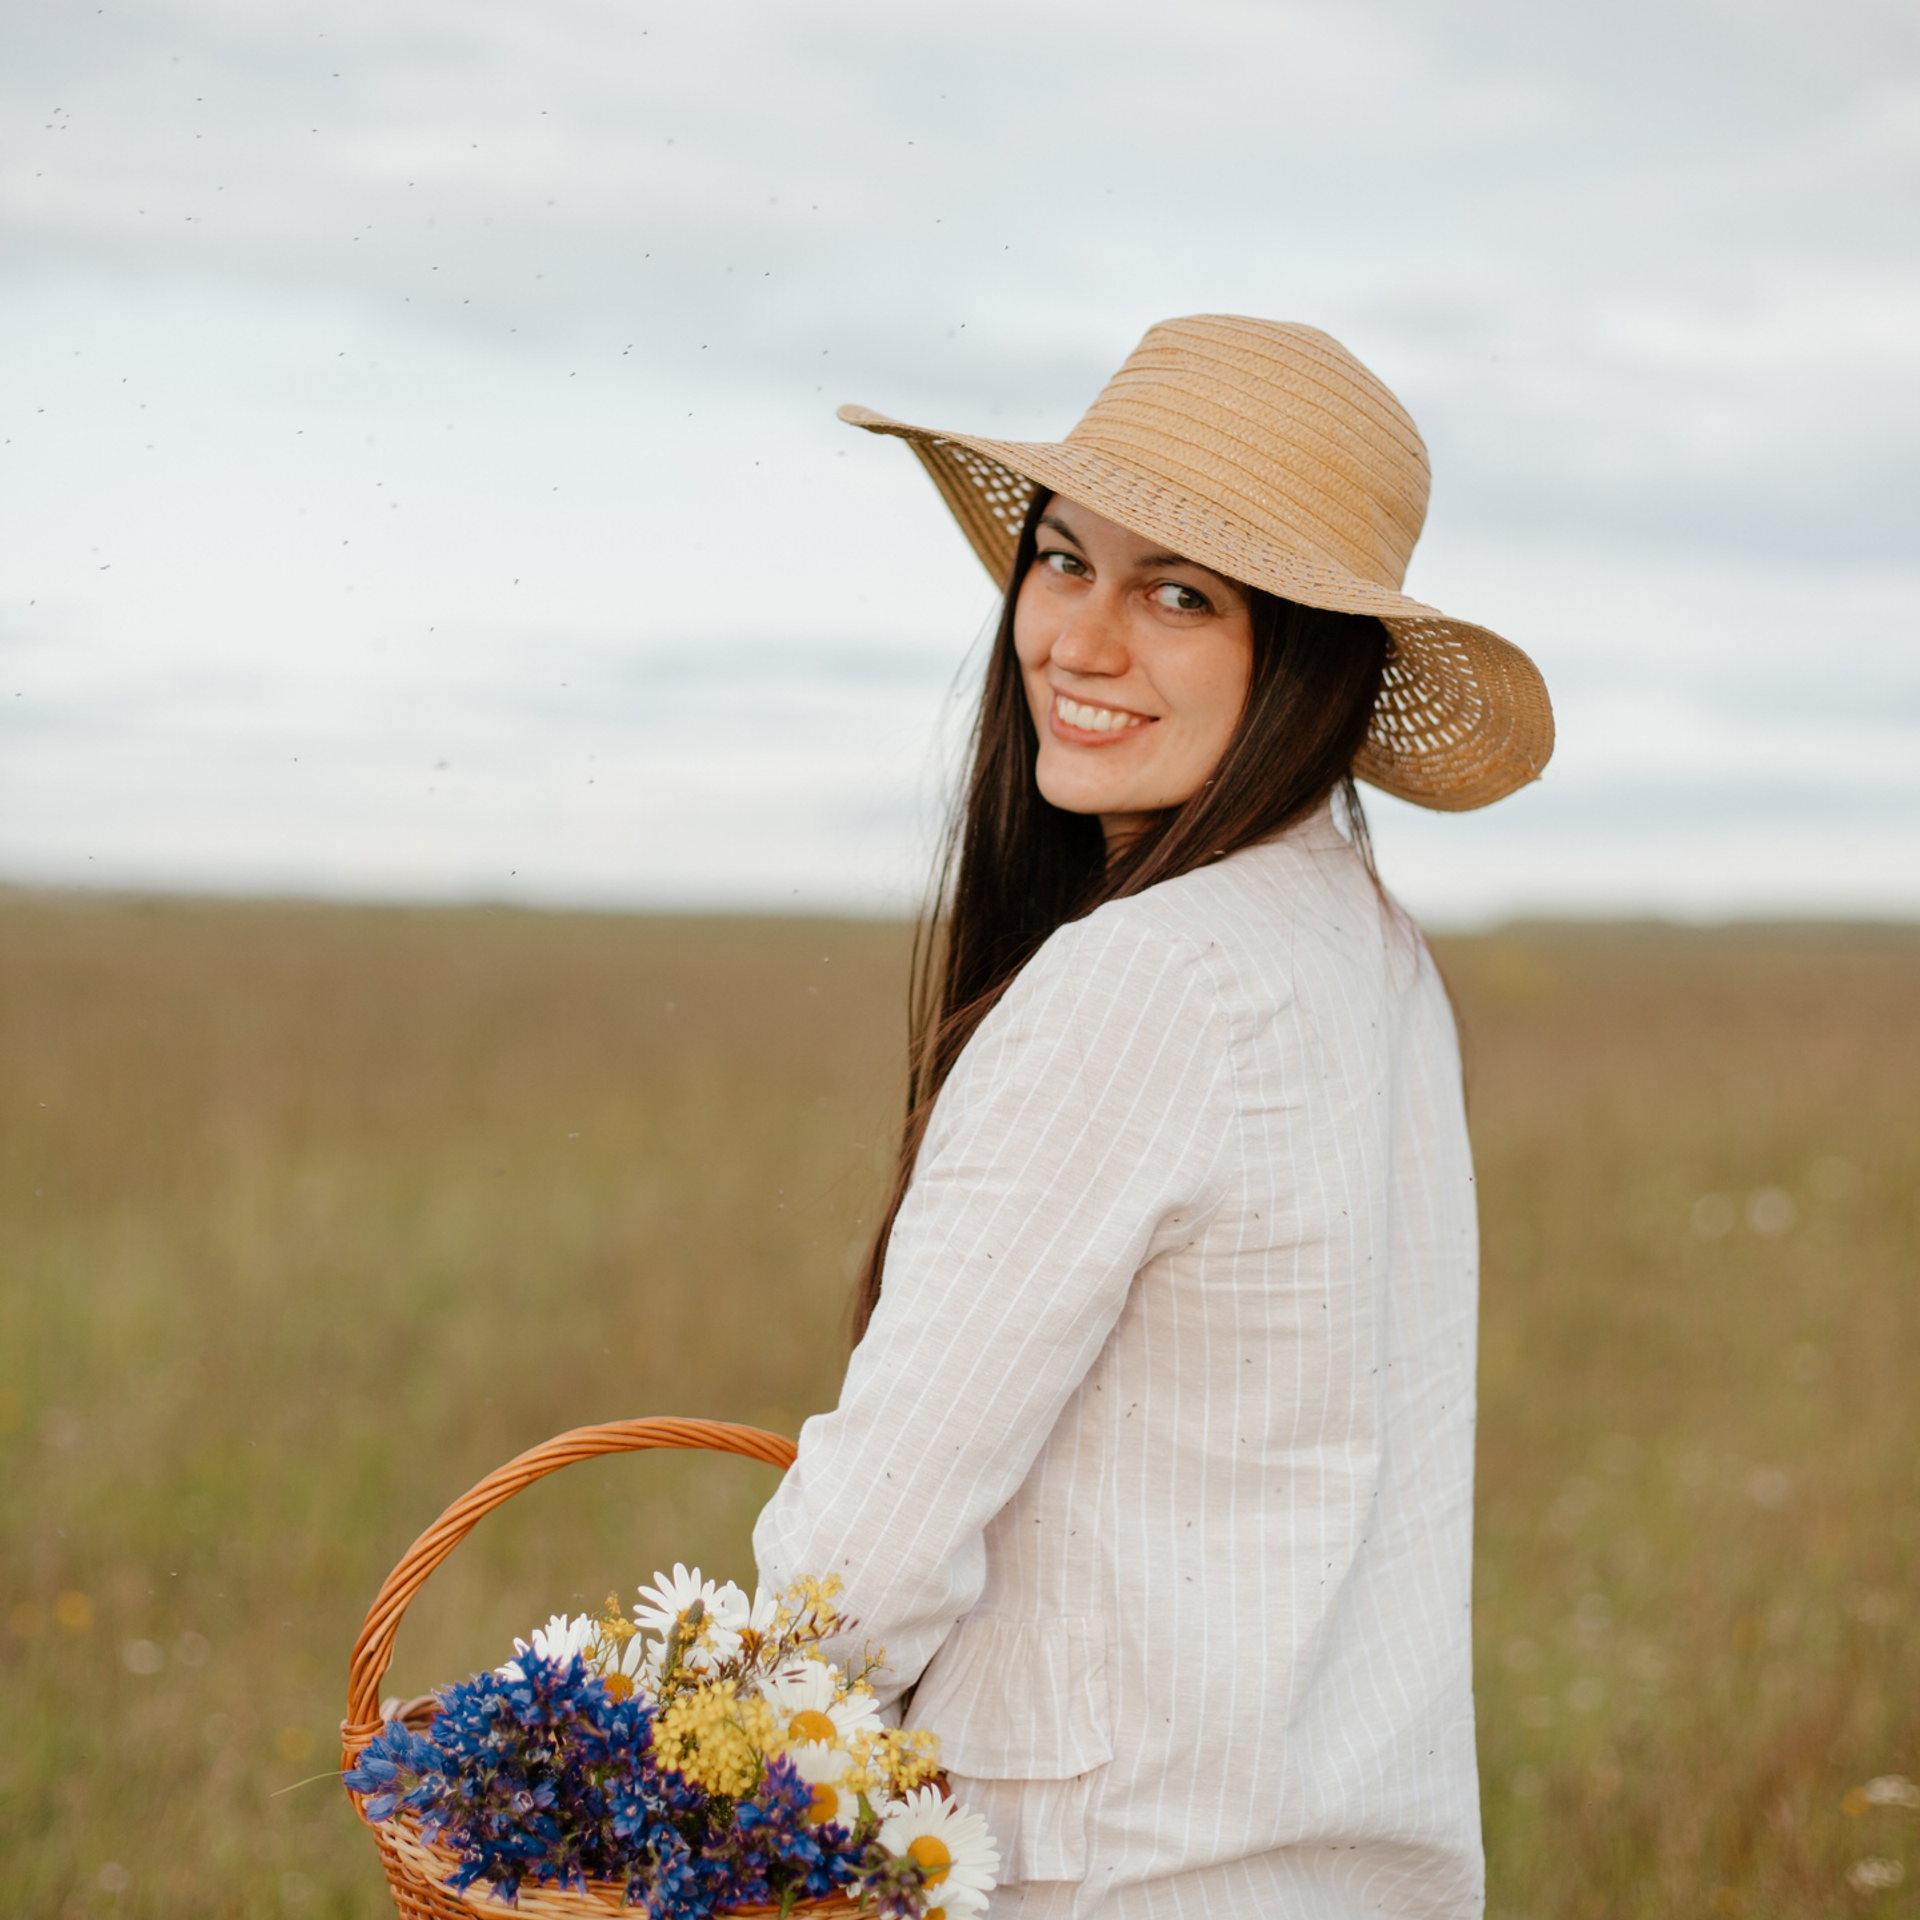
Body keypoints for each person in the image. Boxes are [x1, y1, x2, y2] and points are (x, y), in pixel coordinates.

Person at [753, 315, 1554, 1920]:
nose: (1083, 640)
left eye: (1180, 592)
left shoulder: (1142, 982)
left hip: (1116, 1879)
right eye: (1065, 563)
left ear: (1308, 657)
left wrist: (689, 1783)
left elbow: (880, 1536)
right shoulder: (1366, 955)